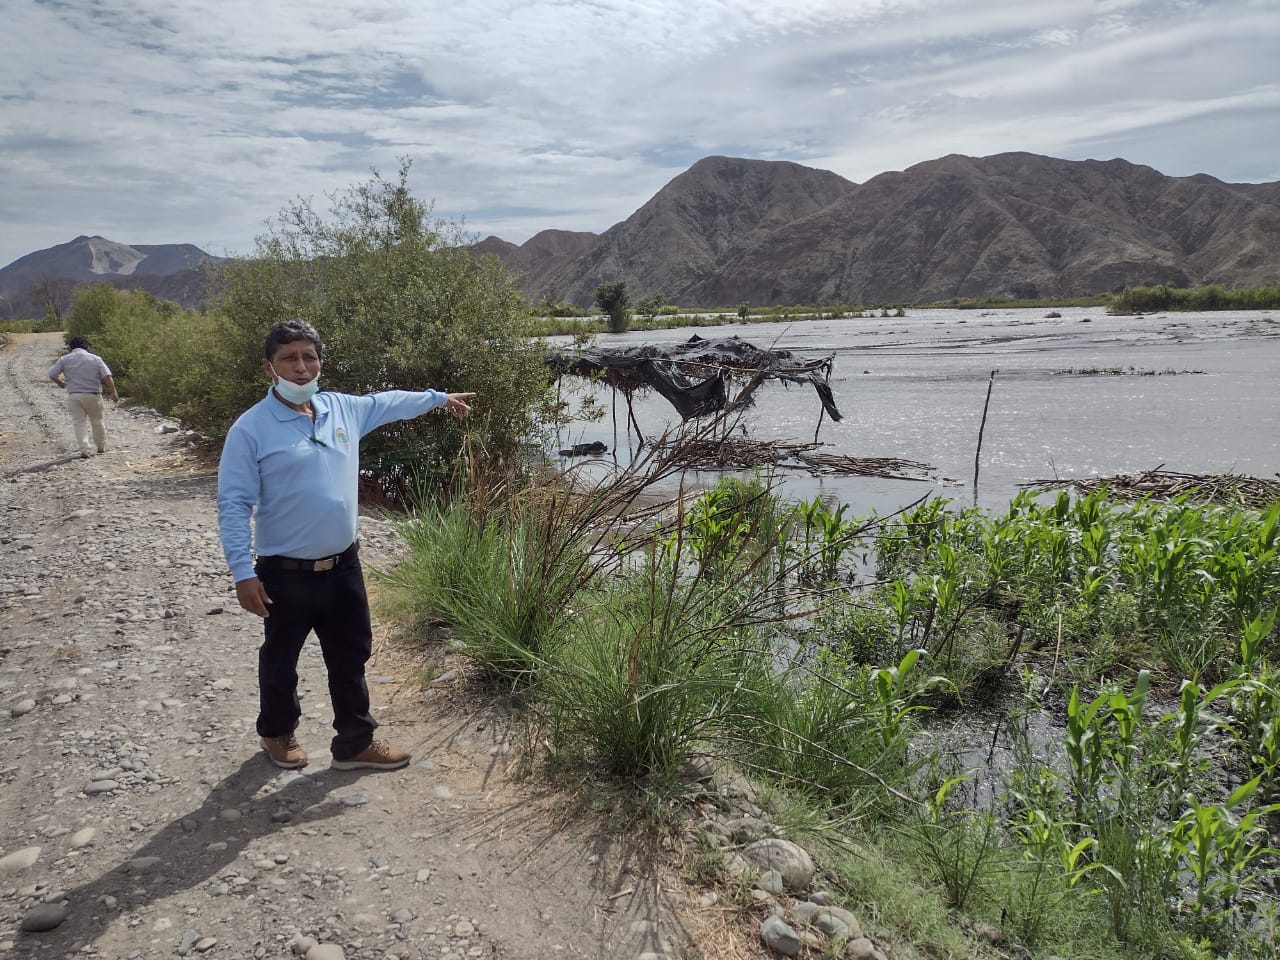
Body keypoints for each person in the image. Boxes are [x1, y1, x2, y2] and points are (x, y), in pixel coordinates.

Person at [216, 319, 474, 771]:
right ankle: (277, 733)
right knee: (281, 657)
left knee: (351, 653)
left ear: (320, 363)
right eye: (289, 358)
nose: (301, 367)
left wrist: (438, 398)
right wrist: (242, 572)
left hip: (343, 566)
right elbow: (233, 503)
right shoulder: (251, 429)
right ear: (268, 368)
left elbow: (389, 402)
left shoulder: (341, 409)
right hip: (283, 572)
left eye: (309, 357)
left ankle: (354, 742)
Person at [48, 336, 119, 458]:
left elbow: (52, 374)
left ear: (70, 347)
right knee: (97, 421)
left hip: (74, 395)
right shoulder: (96, 359)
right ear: (87, 347)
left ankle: (84, 450)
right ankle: (101, 447)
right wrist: (114, 391)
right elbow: (107, 375)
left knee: (79, 422)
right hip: (94, 395)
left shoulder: (65, 359)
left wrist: (60, 383)